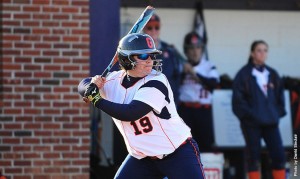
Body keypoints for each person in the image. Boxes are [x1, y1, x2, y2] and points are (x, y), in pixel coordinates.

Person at [78, 33, 205, 179]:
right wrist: (91, 86)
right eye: (143, 56)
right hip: (142, 158)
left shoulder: (157, 81)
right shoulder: (112, 81)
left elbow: (130, 113)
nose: (149, 61)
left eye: (152, 55)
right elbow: (82, 84)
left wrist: (96, 99)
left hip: (177, 153)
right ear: (127, 59)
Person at [231, 40, 286, 179]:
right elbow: (237, 102)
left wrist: (274, 114)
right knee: (253, 158)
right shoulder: (243, 75)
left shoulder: (273, 74)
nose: (262, 53)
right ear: (252, 53)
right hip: (251, 124)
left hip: (271, 123)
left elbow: (280, 99)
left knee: (279, 155)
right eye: (259, 50)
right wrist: (251, 116)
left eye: (265, 50)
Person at [178, 31, 220, 152]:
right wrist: (183, 73)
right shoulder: (181, 67)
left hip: (203, 111)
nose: (195, 52)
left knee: (205, 145)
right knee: (185, 146)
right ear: (186, 51)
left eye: (198, 48)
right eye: (191, 48)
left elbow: (213, 84)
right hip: (185, 111)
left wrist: (193, 73)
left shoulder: (209, 66)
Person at [143, 14, 184, 106]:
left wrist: (175, 99)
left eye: (156, 27)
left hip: (167, 101)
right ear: (144, 29)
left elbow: (177, 76)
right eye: (150, 27)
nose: (154, 30)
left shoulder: (170, 50)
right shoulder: (138, 51)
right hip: (146, 101)